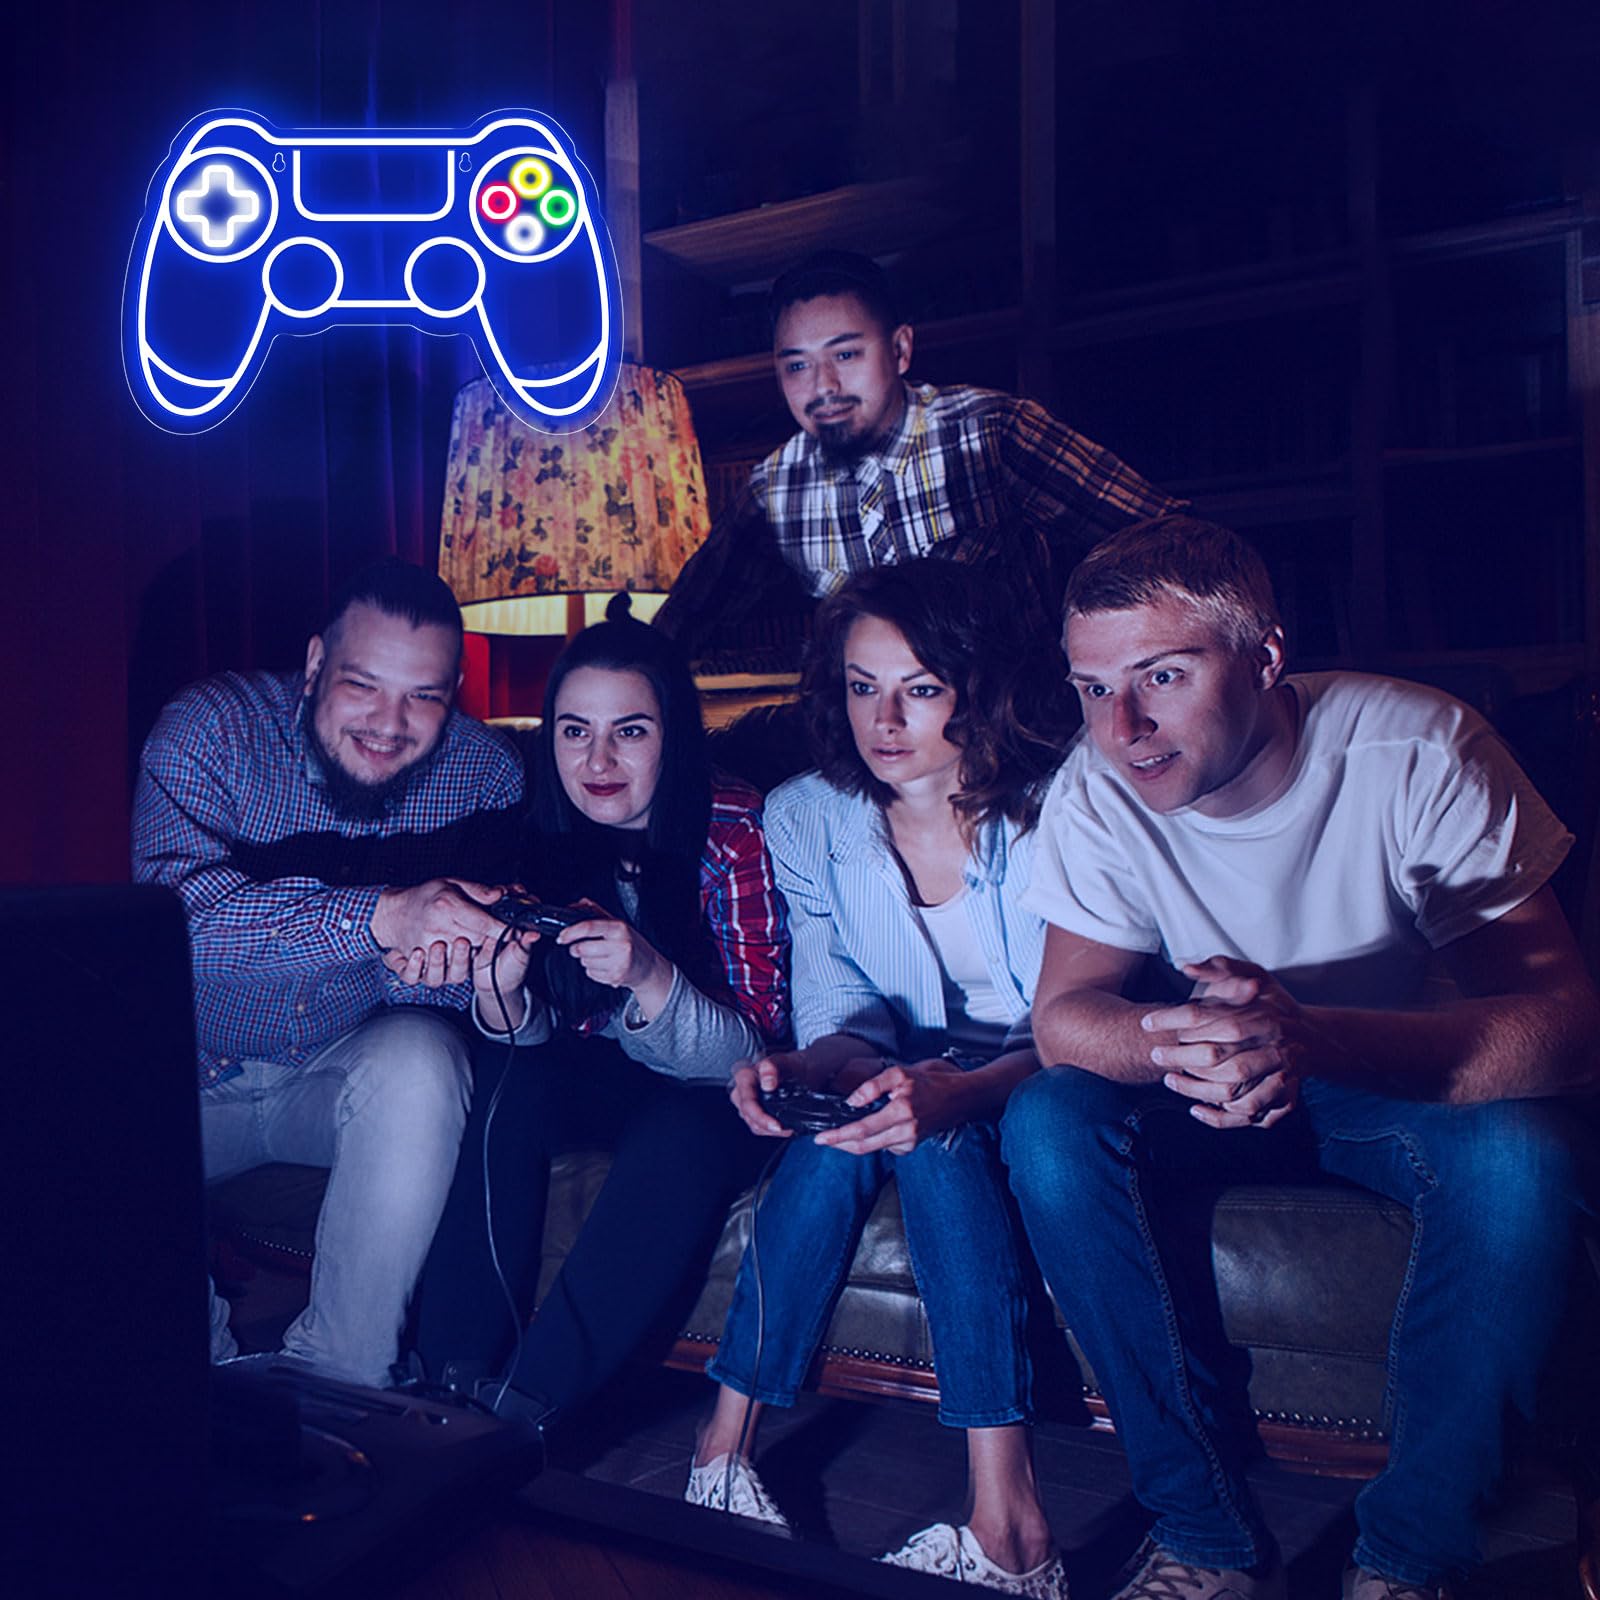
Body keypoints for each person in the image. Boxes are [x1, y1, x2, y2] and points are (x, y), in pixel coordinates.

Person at [1001, 516, 1599, 1600]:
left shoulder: (1418, 749)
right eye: (1090, 689)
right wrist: (1178, 1037)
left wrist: (1314, 1036)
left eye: (1162, 675)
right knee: (1047, 1116)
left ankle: (1408, 1560)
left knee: (1524, 1156)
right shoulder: (1095, 790)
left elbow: (1567, 1027)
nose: (1122, 725)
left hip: (1400, 1080)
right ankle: (1200, 1537)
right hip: (1215, 1079)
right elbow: (1065, 1016)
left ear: (1265, 655)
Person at [688, 562, 1075, 1598]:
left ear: (975, 686)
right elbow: (839, 1008)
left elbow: (1081, 1026)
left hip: (1040, 1077)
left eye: (918, 686)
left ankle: (1009, 1527)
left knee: (932, 1133)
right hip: (898, 1065)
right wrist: (800, 1068)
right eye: (862, 687)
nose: (885, 719)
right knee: (836, 1125)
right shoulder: (806, 814)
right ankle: (720, 1459)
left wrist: (946, 1091)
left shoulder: (1055, 809)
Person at [132, 558, 524, 1388]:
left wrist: (472, 965)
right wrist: (381, 916)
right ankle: (198, 1388)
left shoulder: (487, 774)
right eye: (362, 685)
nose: (391, 722)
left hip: (334, 1073)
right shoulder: (209, 731)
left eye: (425, 695)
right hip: (182, 1084)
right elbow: (178, 927)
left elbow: (437, 991)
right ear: (314, 665)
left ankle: (342, 1387)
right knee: (59, 1084)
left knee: (422, 1052)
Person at [410, 595, 788, 1434]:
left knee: (682, 1130)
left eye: (631, 731)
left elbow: (761, 1050)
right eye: (574, 731)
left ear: (674, 736)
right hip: (606, 1073)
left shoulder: (733, 828)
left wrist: (653, 975)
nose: (598, 760)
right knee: (504, 1081)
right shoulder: (539, 831)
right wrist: (502, 995)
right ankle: (448, 1383)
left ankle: (532, 1407)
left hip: (721, 1084)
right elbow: (543, 1040)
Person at [654, 249, 1184, 663]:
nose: (824, 386)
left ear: (901, 349)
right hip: (881, 761)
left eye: (845, 354)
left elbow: (1171, 538)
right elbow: (684, 623)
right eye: (797, 366)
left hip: (1023, 745)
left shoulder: (990, 432)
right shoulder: (775, 490)